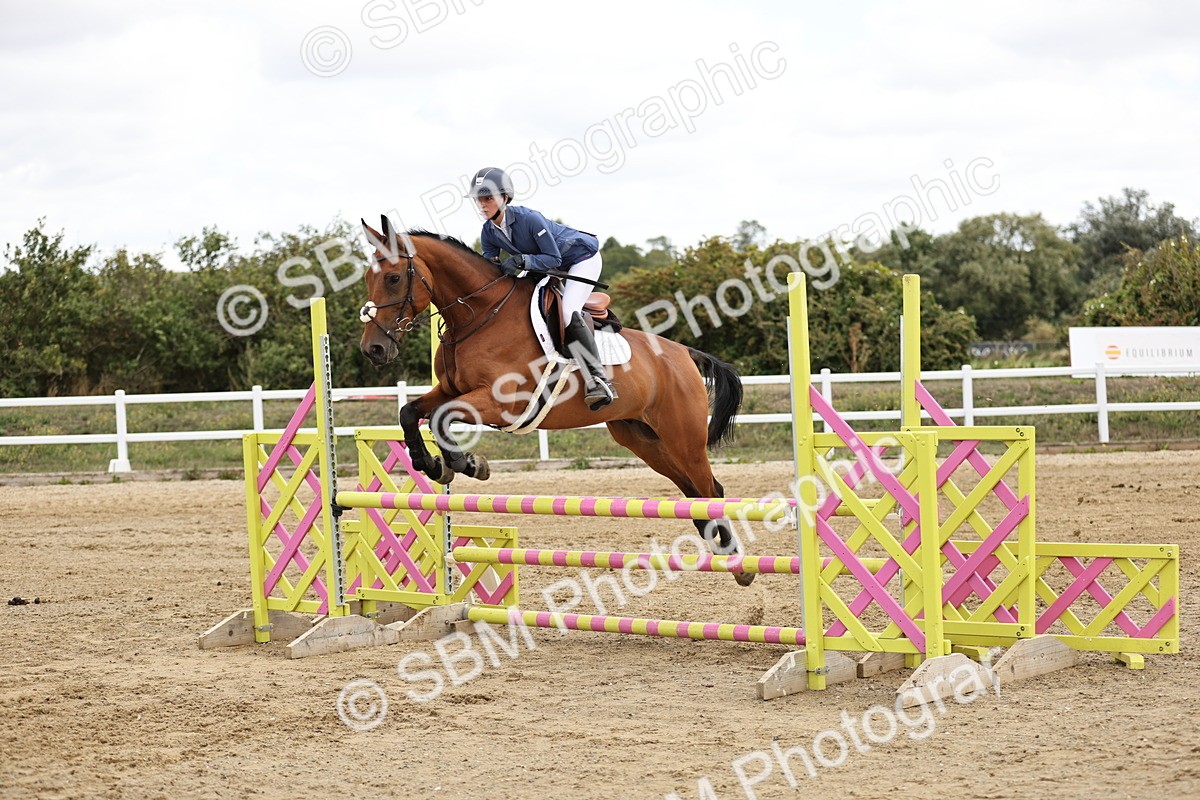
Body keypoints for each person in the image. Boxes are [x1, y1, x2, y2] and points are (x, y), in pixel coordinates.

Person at [466, 166, 618, 410]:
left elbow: (554, 258)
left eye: (488, 198)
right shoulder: (488, 231)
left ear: (504, 198)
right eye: (479, 200)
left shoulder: (529, 219)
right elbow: (491, 271)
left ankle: (598, 379)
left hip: (581, 259)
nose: (482, 205)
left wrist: (522, 261)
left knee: (568, 311)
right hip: (547, 265)